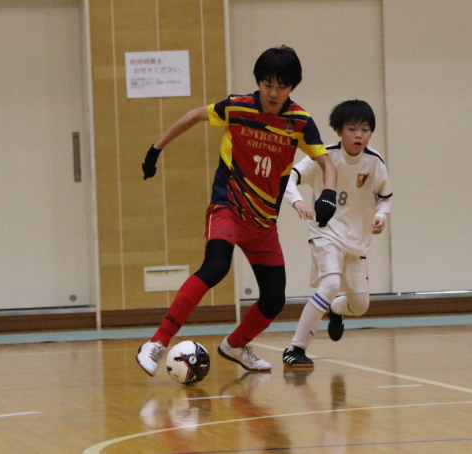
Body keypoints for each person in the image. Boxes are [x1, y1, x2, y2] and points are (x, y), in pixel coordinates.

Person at [136, 45, 338, 377]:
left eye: (282, 86)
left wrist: (328, 194)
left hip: (263, 223)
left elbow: (326, 163)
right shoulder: (237, 107)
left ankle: (235, 345)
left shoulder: (299, 122)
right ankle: (157, 342)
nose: (273, 93)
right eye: (267, 84)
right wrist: (155, 149)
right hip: (227, 207)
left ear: (292, 87)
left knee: (274, 299)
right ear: (258, 81)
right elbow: (195, 115)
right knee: (215, 267)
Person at [281, 99, 392, 367]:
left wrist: (381, 216)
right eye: (352, 129)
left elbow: (385, 198)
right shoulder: (323, 156)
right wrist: (297, 201)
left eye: (365, 130)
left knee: (360, 306)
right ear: (339, 131)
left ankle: (334, 308)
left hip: (357, 241)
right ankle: (295, 348)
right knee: (330, 284)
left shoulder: (375, 162)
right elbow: (288, 178)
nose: (358, 135)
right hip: (325, 232)